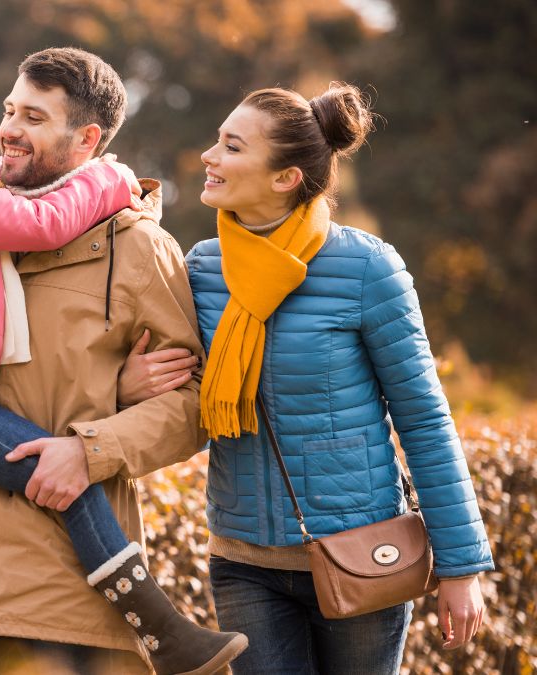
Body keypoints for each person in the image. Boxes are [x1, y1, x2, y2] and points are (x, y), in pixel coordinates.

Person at [0, 33, 246, 675]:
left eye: (33, 119)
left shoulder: (139, 249)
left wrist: (94, 445)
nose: (5, 130)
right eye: (8, 110)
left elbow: (196, 403)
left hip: (64, 587)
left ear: (88, 142)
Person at [119, 82, 495, 673]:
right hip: (244, 559)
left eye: (232, 147)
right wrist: (130, 382)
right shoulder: (199, 269)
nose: (208, 158)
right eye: (217, 142)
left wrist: (461, 566)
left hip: (362, 553)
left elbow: (423, 418)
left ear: (285, 177)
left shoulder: (367, 267)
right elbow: (182, 389)